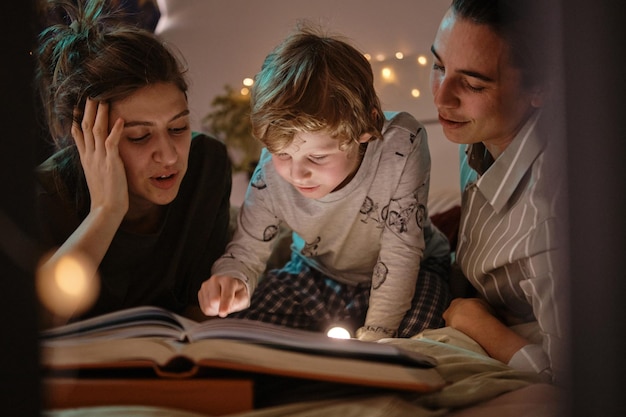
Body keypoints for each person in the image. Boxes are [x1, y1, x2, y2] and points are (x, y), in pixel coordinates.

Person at [198, 25, 451, 341]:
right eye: (282, 154)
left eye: (316, 158)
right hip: (314, 274)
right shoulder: (272, 173)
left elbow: (400, 253)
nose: (296, 173)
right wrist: (231, 279)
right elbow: (247, 248)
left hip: (412, 271)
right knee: (246, 336)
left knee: (418, 340)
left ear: (365, 129)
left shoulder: (401, 145)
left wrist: (376, 337)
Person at [34, 0, 232, 324]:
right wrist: (106, 211)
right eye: (139, 136)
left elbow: (202, 306)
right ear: (89, 133)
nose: (169, 156)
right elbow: (28, 326)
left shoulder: (206, 167)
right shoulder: (45, 198)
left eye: (178, 128)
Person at [429, 0, 567, 382]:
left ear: (540, 88)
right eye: (439, 66)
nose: (442, 99)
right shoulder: (476, 137)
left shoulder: (550, 220)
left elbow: (568, 376)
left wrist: (473, 320)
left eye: (473, 83)